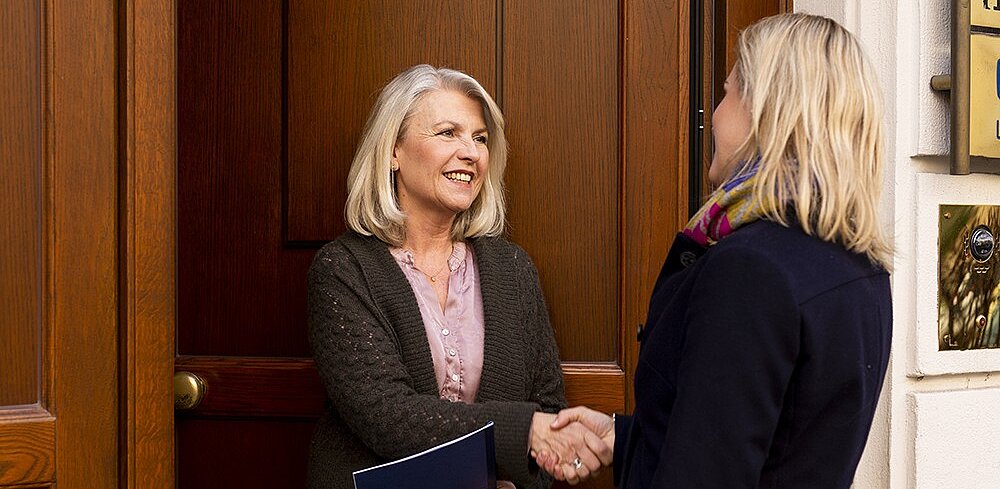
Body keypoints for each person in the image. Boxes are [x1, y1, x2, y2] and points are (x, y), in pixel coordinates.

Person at [538, 13, 893, 488]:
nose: (716, 115)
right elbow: (781, 440)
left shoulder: (751, 269)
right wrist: (624, 439)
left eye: (727, 93)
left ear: (766, 110)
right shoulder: (860, 264)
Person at [307, 64, 611, 489]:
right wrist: (520, 433)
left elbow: (547, 405)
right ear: (393, 151)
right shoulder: (344, 269)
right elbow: (386, 414)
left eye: (480, 138)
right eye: (448, 132)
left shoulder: (514, 270)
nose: (471, 152)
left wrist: (527, 473)